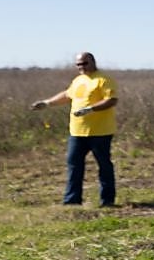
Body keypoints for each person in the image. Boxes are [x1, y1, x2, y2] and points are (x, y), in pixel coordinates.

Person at [30, 52, 118, 207]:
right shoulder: (78, 80)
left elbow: (111, 100)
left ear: (93, 62)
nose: (81, 67)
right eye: (78, 64)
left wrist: (90, 109)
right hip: (77, 132)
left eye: (84, 63)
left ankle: (107, 201)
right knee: (74, 165)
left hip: (100, 132)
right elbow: (67, 95)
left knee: (104, 166)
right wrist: (47, 103)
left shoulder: (103, 79)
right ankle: (72, 201)